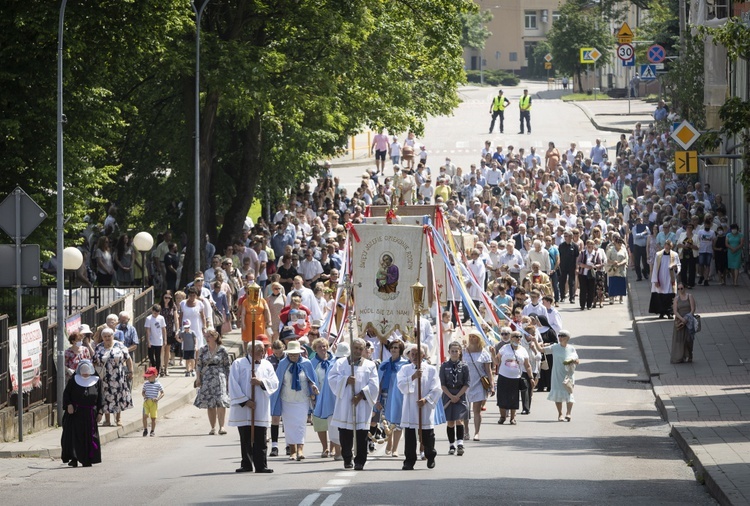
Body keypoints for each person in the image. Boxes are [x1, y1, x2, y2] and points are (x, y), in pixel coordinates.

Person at [329, 338, 379, 470]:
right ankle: (347, 458)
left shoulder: (370, 365)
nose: (357, 351)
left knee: (362, 434)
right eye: (355, 348)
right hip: (345, 403)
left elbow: (374, 385)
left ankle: (360, 461)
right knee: (345, 433)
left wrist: (361, 395)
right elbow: (332, 379)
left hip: (362, 405)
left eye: (360, 349)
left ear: (364, 350)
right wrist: (345, 380)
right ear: (351, 348)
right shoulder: (340, 363)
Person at [228, 341, 278, 473]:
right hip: (244, 408)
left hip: (260, 405)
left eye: (263, 350)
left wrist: (261, 382)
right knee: (245, 436)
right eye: (259, 350)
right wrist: (245, 401)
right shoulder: (238, 364)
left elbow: (274, 382)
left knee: (260, 436)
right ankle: (246, 464)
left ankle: (261, 465)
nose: (262, 353)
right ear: (250, 351)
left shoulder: (267, 365)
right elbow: (233, 384)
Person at [270, 340, 319, 461]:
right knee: (289, 425)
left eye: (295, 354)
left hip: (302, 398)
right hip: (287, 399)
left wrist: (313, 388)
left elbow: (311, 379)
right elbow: (278, 382)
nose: (293, 356)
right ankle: (292, 449)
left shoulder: (306, 363)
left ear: (300, 353)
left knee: (301, 424)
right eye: (291, 354)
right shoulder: (282, 364)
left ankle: (300, 449)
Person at [398, 343, 442, 470]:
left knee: (427, 434)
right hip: (410, 406)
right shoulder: (405, 369)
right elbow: (401, 385)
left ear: (423, 355)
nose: (415, 356)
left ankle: (430, 455)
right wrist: (413, 377)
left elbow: (436, 388)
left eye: (417, 354)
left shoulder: (431, 370)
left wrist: (426, 399)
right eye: (412, 354)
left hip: (425, 406)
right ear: (409, 356)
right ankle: (409, 460)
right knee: (410, 435)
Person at [61, 360, 103, 468]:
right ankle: (74, 458)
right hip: (76, 413)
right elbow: (66, 394)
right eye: (83, 371)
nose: (85, 374)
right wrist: (69, 405)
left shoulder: (97, 381)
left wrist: (100, 412)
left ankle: (87, 459)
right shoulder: (74, 380)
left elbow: (100, 398)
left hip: (90, 414)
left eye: (87, 371)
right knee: (75, 437)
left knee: (89, 437)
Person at [92, 327, 133, 427]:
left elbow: (128, 359)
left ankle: (118, 419)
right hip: (104, 377)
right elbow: (94, 361)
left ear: (112, 336)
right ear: (102, 337)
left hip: (118, 376)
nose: (107, 338)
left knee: (118, 396)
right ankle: (107, 420)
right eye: (105, 336)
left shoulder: (120, 345)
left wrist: (131, 371)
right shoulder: (99, 347)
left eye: (109, 336)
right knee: (105, 397)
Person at [194, 329, 231, 435]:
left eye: (208, 336)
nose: (206, 338)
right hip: (207, 378)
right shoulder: (203, 350)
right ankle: (213, 427)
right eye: (205, 337)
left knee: (221, 402)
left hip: (220, 377)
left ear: (214, 337)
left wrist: (228, 380)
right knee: (210, 404)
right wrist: (198, 378)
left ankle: (222, 426)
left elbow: (227, 365)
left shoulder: (222, 350)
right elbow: (199, 365)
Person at [377, 339, 408, 458]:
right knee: (386, 422)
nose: (394, 349)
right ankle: (389, 441)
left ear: (400, 350)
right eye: (392, 347)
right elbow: (378, 382)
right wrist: (377, 399)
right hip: (385, 395)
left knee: (397, 422)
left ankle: (395, 448)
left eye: (396, 347)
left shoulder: (405, 364)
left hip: (398, 396)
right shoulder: (384, 364)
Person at [496, 331, 535, 425]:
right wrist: (493, 354)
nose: (518, 338)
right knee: (502, 397)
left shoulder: (523, 350)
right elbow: (497, 361)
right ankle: (502, 416)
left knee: (514, 398)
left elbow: (527, 365)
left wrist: (531, 377)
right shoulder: (505, 348)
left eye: (519, 337)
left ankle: (513, 418)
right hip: (503, 376)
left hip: (516, 377)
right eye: (516, 336)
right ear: (511, 338)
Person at [439, 341, 470, 456]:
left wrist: (457, 396)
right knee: (450, 421)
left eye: (456, 351)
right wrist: (451, 396)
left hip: (460, 394)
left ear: (460, 352)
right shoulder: (444, 366)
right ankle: (452, 445)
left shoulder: (464, 366)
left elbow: (467, 383)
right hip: (448, 395)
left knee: (459, 420)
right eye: (452, 351)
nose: (454, 353)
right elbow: (442, 384)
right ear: (449, 352)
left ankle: (460, 444)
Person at [310, 337, 338, 459]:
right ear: (315, 349)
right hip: (319, 396)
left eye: (325, 346)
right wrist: (312, 389)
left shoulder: (335, 360)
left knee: (333, 422)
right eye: (320, 347)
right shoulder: (312, 363)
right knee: (320, 422)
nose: (323, 348)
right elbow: (309, 378)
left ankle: (333, 447)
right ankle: (324, 447)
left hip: (332, 396)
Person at [543, 330, 579, 421]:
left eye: (562, 336)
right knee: (558, 393)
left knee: (569, 393)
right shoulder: (554, 347)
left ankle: (568, 413)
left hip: (568, 374)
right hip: (557, 374)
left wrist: (572, 361)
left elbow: (577, 361)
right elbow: (541, 350)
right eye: (559, 336)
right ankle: (560, 414)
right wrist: (534, 342)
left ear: (567, 338)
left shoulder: (571, 348)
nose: (560, 337)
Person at [464, 332, 493, 440]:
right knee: (465, 410)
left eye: (474, 337)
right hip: (465, 384)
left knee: (477, 410)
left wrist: (492, 385)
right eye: (470, 337)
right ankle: (466, 430)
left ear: (479, 339)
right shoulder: (463, 352)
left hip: (479, 384)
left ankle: (477, 432)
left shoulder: (484, 353)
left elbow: (489, 371)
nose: (471, 339)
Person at [649, 240, 680, 319]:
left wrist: (676, 268)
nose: (667, 247)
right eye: (666, 245)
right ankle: (662, 312)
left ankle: (669, 312)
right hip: (661, 277)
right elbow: (655, 267)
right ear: (664, 246)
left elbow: (678, 265)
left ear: (671, 246)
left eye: (668, 245)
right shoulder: (658, 255)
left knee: (670, 295)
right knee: (661, 295)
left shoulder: (675, 255)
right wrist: (655, 280)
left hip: (670, 277)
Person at [671, 283, 698, 364]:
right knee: (679, 340)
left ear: (685, 288)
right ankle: (680, 356)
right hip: (680, 321)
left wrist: (687, 318)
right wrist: (682, 319)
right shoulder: (676, 299)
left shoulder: (690, 296)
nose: (680, 290)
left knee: (688, 339)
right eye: (678, 289)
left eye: (681, 288)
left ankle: (690, 354)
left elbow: (693, 309)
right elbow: (675, 311)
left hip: (689, 321)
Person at [577, 240, 604, 311]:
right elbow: (578, 262)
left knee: (591, 290)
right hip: (583, 274)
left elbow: (600, 263)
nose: (590, 246)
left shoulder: (596, 254)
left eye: (591, 244)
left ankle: (589, 304)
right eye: (588, 244)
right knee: (583, 290)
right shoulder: (582, 253)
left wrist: (594, 266)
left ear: (593, 246)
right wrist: (585, 266)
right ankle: (582, 305)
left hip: (592, 274)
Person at [144, 304, 167, 376]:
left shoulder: (161, 318)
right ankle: (153, 365)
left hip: (159, 340)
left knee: (158, 356)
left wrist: (165, 339)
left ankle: (157, 370)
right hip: (151, 339)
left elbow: (163, 329)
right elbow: (147, 330)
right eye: (155, 313)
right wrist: (148, 341)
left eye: (158, 313)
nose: (156, 314)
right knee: (150, 355)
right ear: (152, 311)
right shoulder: (149, 318)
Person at [141, 367, 164, 437]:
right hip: (146, 402)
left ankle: (152, 430)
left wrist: (158, 398)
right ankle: (145, 429)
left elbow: (162, 393)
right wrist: (144, 396)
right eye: (147, 377)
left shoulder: (158, 384)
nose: (148, 378)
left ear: (154, 376)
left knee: (153, 418)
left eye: (149, 376)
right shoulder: (146, 384)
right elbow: (143, 392)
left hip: (154, 403)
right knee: (145, 416)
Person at [606, 234, 629, 304]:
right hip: (613, 269)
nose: (620, 244)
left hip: (621, 269)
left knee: (621, 283)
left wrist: (620, 263)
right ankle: (611, 298)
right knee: (613, 283)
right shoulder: (610, 250)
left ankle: (621, 298)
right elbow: (607, 259)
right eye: (618, 242)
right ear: (615, 243)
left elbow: (626, 259)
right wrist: (613, 262)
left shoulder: (623, 250)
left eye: (621, 242)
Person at [697, 218, 716, 286]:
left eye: (708, 225)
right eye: (706, 225)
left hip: (709, 250)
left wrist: (713, 250)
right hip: (701, 250)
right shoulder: (700, 232)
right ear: (704, 225)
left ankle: (706, 279)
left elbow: (714, 241)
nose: (707, 226)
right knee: (701, 264)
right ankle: (701, 275)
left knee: (707, 265)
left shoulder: (712, 232)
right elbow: (698, 239)